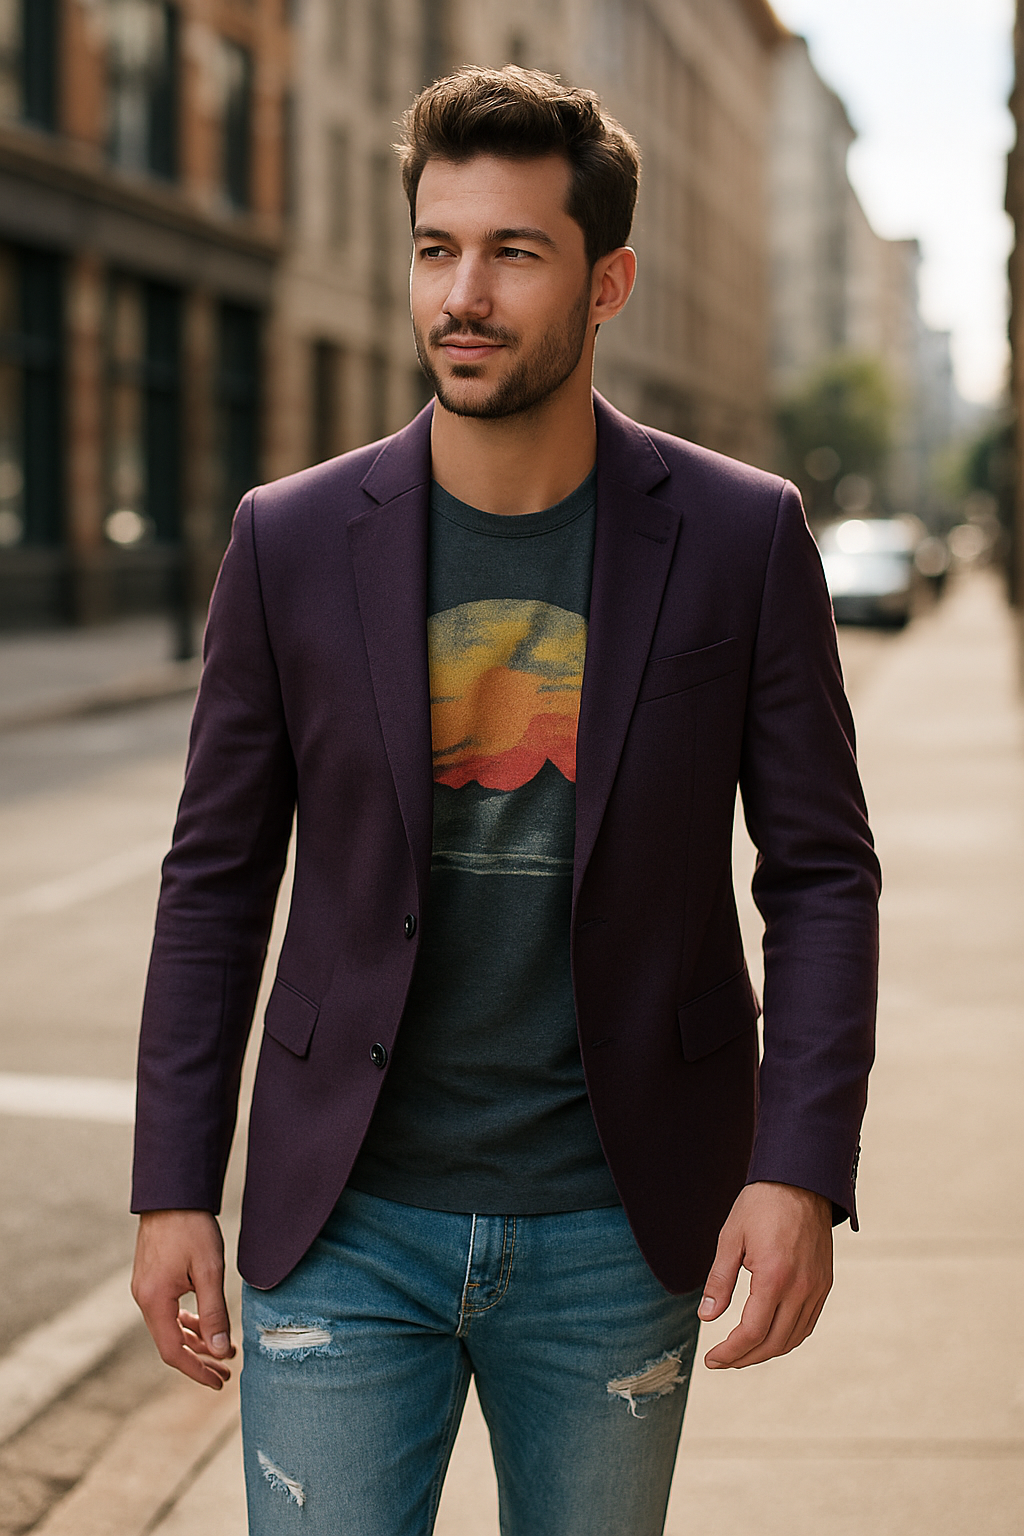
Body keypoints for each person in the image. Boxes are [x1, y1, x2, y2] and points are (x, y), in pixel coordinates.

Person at [130, 66, 879, 1536]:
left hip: (618, 1225)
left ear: (609, 283)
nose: (461, 294)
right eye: (436, 247)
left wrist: (801, 1165)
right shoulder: (286, 543)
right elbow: (214, 877)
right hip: (340, 1224)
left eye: (513, 253)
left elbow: (821, 873)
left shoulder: (741, 538)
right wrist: (171, 1186)